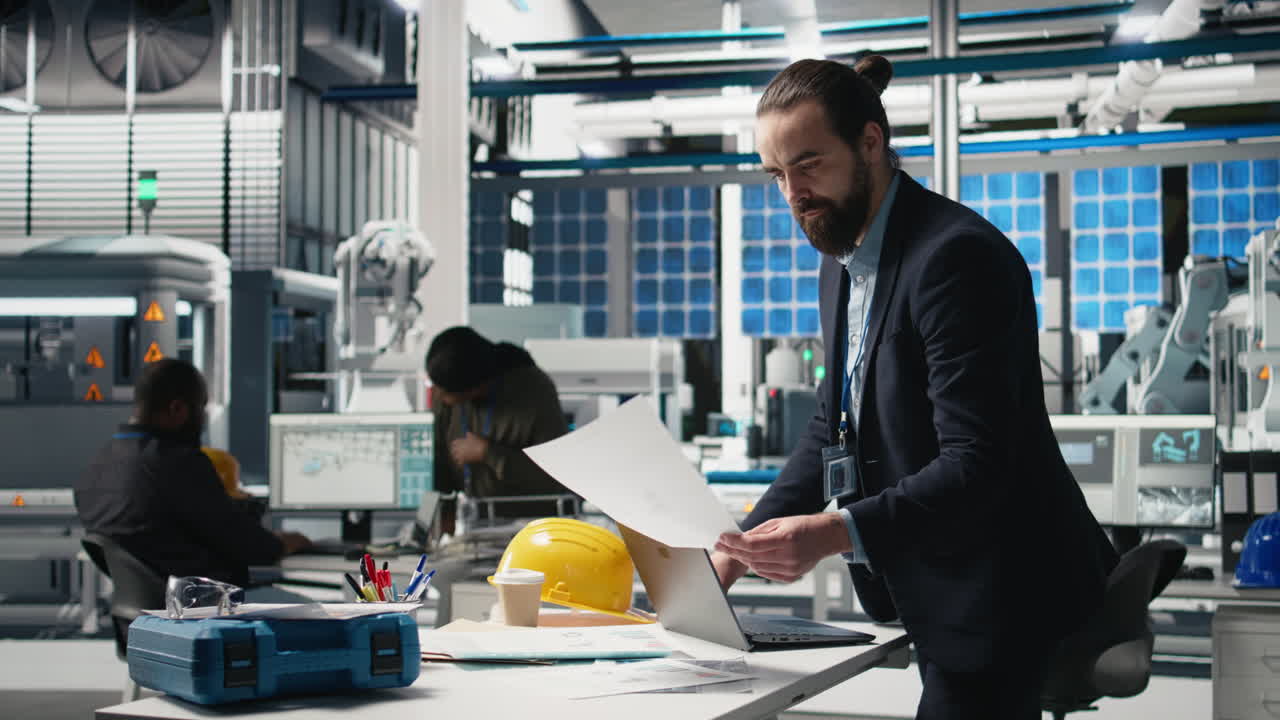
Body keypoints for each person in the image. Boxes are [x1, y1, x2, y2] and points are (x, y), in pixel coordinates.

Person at [711, 56, 1120, 718]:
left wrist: (833, 531)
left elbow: (976, 465)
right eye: (776, 175)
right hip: (936, 584)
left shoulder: (956, 258)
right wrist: (736, 545)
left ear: (870, 142)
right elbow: (831, 429)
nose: (792, 193)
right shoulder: (843, 261)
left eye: (808, 165)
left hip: (1003, 594)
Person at [75, 358, 310, 588]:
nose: (203, 419)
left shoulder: (96, 465)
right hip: (203, 610)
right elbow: (252, 548)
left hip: (144, 617)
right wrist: (286, 542)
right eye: (201, 408)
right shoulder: (176, 462)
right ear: (177, 409)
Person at [426, 326, 572, 524]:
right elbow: (438, 459)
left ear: (475, 387)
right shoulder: (445, 392)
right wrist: (442, 515)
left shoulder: (534, 391)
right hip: (470, 524)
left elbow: (555, 476)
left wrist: (489, 453)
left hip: (526, 526)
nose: (437, 394)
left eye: (444, 391)